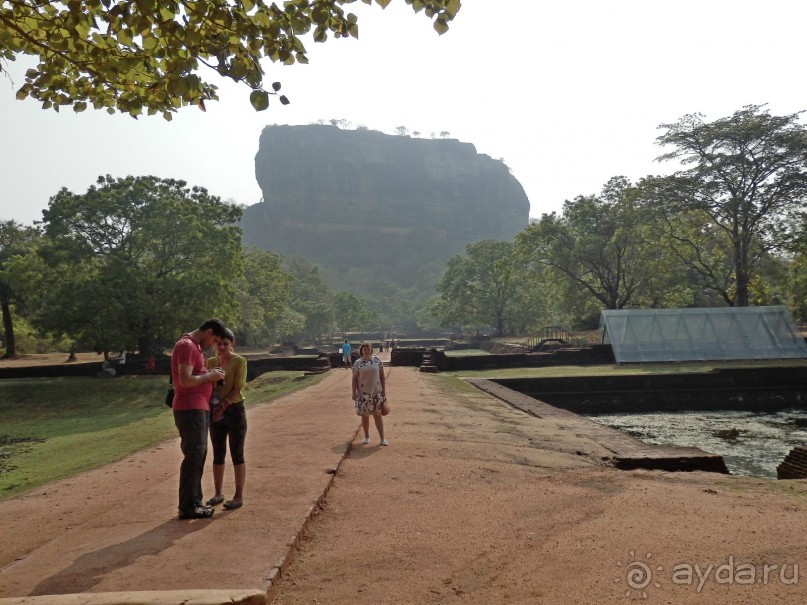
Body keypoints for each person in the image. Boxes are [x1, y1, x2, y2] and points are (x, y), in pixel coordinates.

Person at [170, 318, 228, 520]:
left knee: (198, 456)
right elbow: (185, 380)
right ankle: (186, 506)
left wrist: (209, 375)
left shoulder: (193, 347)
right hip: (189, 407)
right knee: (194, 456)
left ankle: (195, 502)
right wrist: (210, 376)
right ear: (208, 332)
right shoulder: (186, 346)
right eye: (214, 340)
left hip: (197, 407)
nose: (213, 345)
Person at [205, 329, 248, 510]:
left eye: (225, 344)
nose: (221, 347)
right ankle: (218, 492)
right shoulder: (211, 362)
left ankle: (238, 495)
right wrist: (213, 408)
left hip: (234, 410)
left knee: (237, 454)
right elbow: (209, 387)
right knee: (218, 453)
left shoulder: (239, 361)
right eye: (219, 344)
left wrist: (221, 408)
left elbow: (237, 388)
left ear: (232, 344)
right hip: (216, 411)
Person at [352, 341, 388, 446]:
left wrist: (384, 390)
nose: (366, 351)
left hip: (376, 392)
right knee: (365, 416)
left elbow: (382, 376)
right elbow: (354, 379)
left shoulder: (377, 361)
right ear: (361, 351)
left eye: (368, 349)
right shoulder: (358, 363)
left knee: (378, 416)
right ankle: (367, 436)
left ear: (371, 350)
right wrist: (354, 393)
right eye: (364, 349)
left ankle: (382, 438)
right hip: (363, 394)